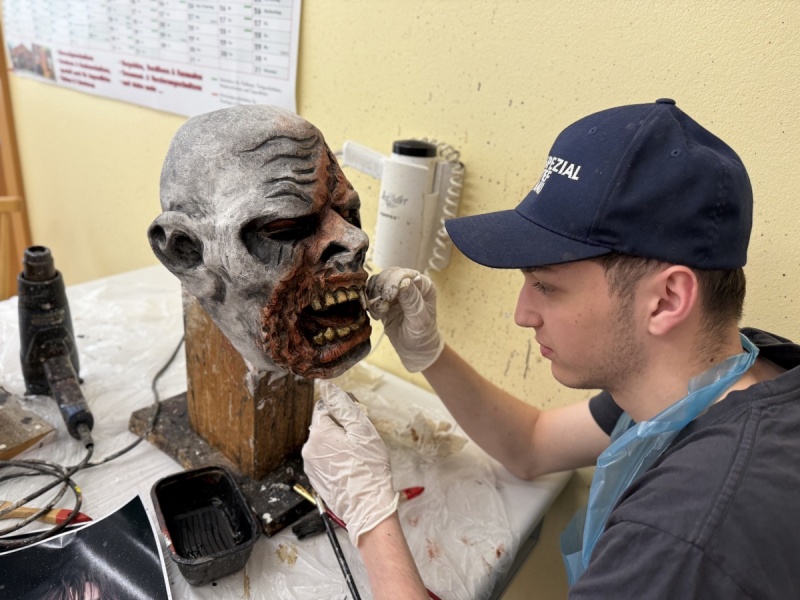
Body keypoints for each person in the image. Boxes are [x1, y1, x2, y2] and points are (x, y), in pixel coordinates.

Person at [302, 99, 800, 599]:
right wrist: (429, 352)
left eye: (547, 286)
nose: (523, 314)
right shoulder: (719, 375)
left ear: (667, 299)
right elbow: (532, 446)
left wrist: (371, 518)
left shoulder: (683, 541)